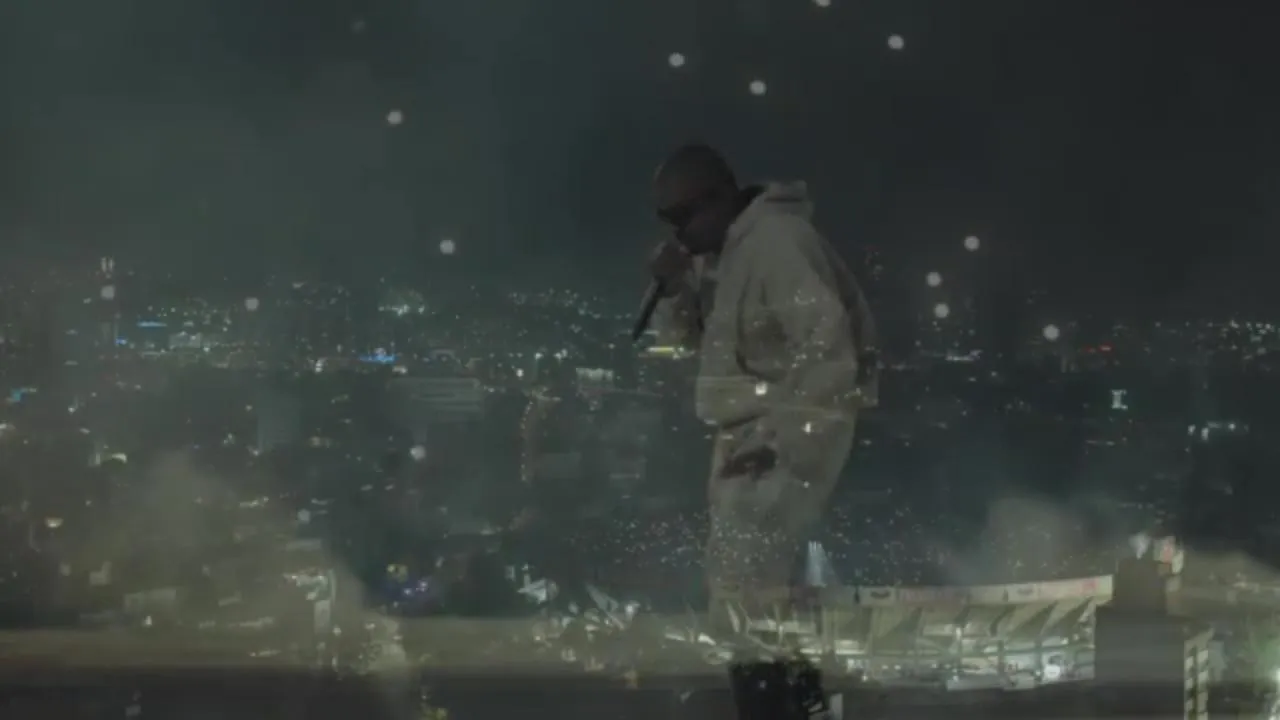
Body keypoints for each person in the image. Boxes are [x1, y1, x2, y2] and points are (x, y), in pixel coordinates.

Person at [648, 143, 877, 627]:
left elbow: (829, 349)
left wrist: (781, 442)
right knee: (736, 575)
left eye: (682, 217)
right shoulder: (721, 258)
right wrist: (674, 291)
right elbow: (691, 341)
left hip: (782, 433)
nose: (678, 233)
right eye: (668, 221)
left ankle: (761, 664)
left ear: (718, 198)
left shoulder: (778, 243)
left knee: (748, 576)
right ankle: (759, 657)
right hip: (748, 435)